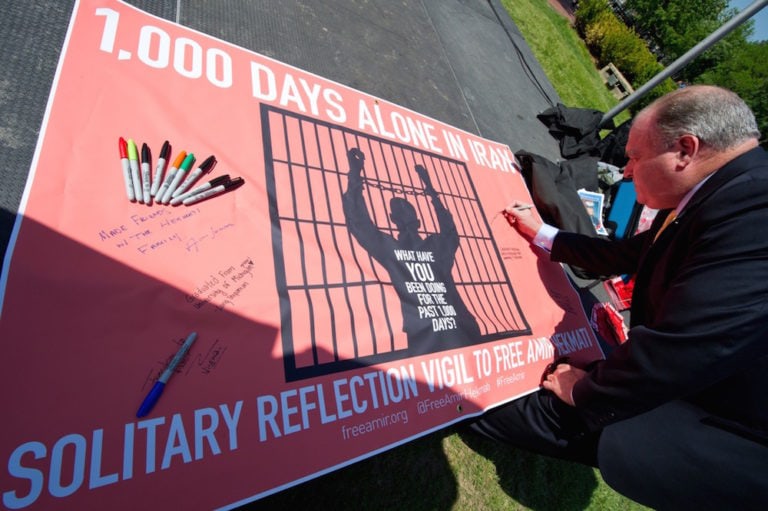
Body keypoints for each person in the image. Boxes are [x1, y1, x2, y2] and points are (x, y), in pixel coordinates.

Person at [472, 85, 768, 508]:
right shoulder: (721, 187)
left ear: (685, 150)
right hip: (684, 381)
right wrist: (543, 235)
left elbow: (686, 347)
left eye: (634, 157)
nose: (625, 172)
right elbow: (634, 253)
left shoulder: (757, 209)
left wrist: (583, 391)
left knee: (486, 409)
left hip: (720, 424)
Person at [342, 148, 480, 355]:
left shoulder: (423, 246)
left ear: (393, 220)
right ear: (395, 220)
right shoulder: (395, 248)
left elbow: (359, 223)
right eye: (400, 213)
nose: (404, 218)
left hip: (450, 330)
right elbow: (359, 224)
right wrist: (355, 174)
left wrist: (431, 189)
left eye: (404, 212)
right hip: (433, 335)